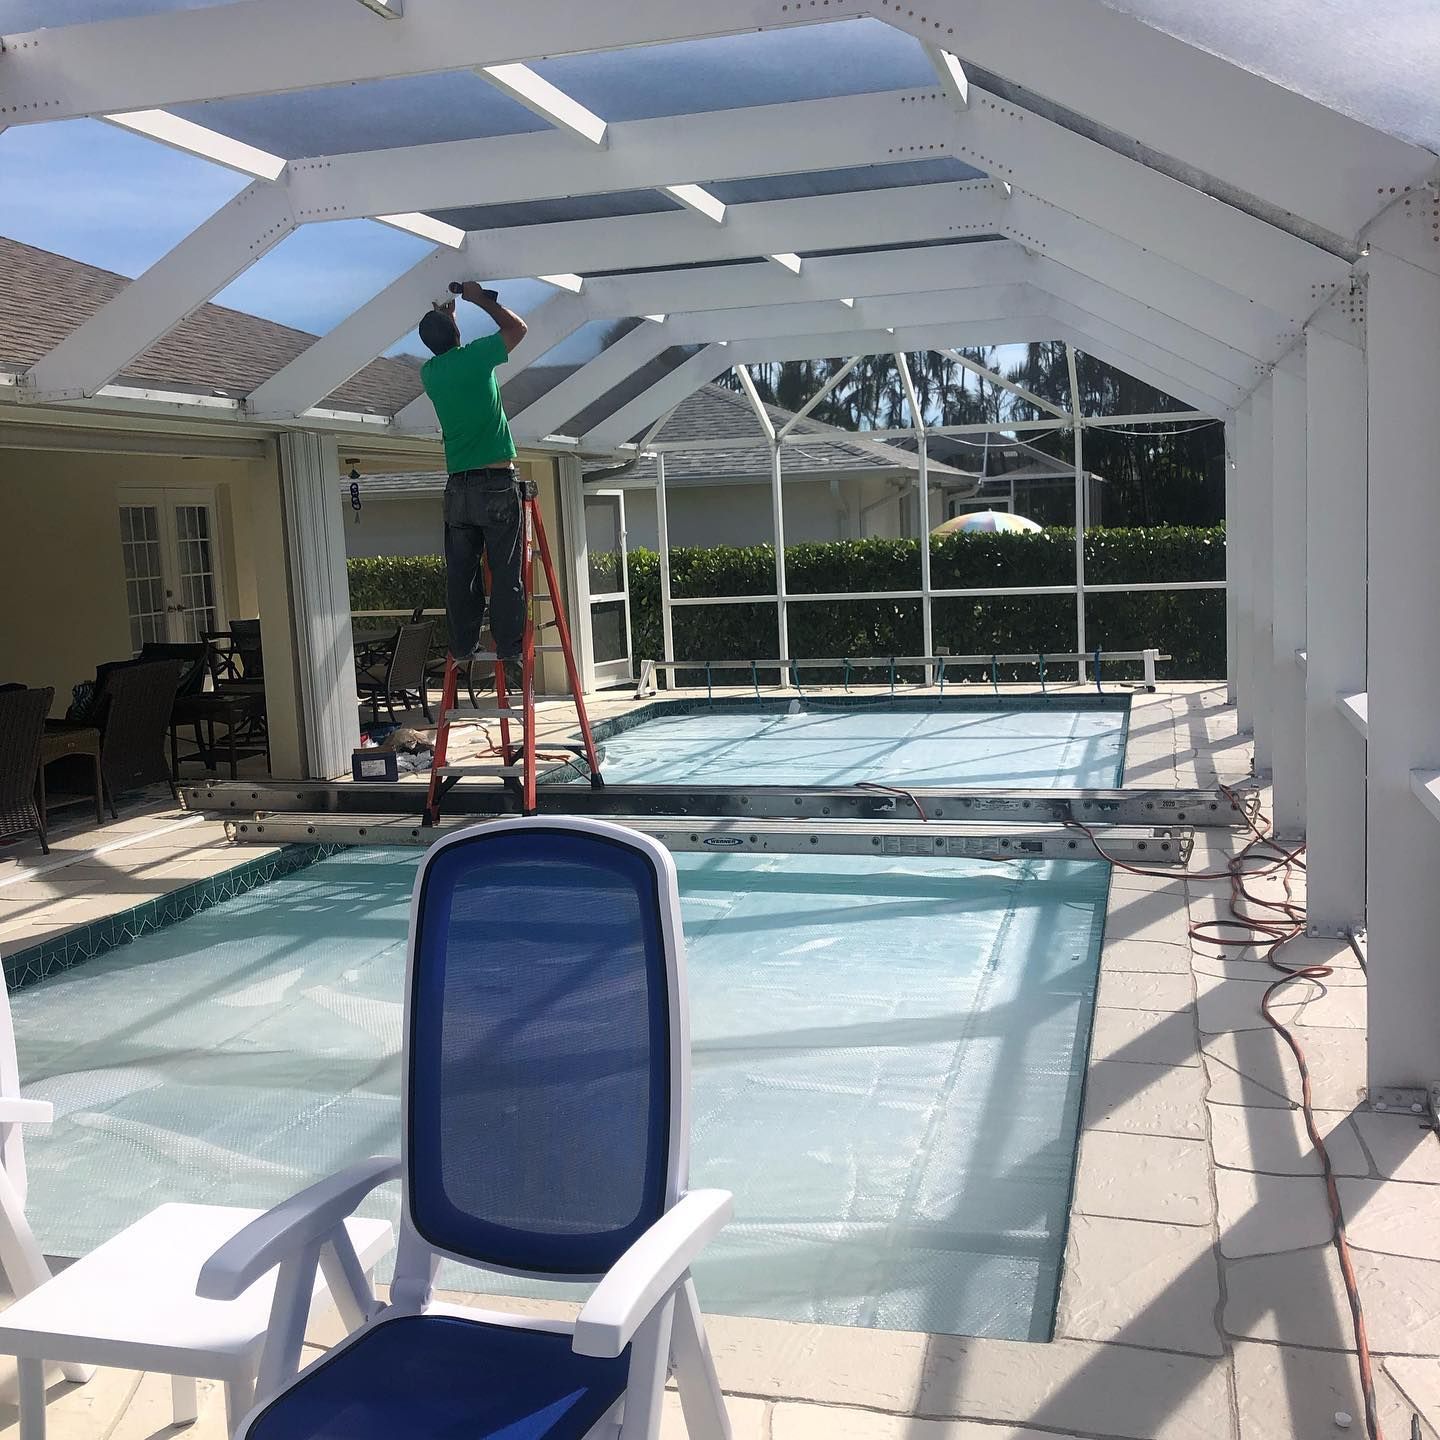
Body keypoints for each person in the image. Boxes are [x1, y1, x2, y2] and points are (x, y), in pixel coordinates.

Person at [417, 281, 529, 664]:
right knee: (504, 568)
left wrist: (448, 318)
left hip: (457, 489)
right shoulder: (477, 357)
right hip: (495, 483)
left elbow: (449, 346)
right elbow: (518, 329)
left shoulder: (430, 373)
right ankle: (509, 647)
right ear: (456, 335)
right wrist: (480, 299)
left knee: (462, 576)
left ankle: (463, 646)